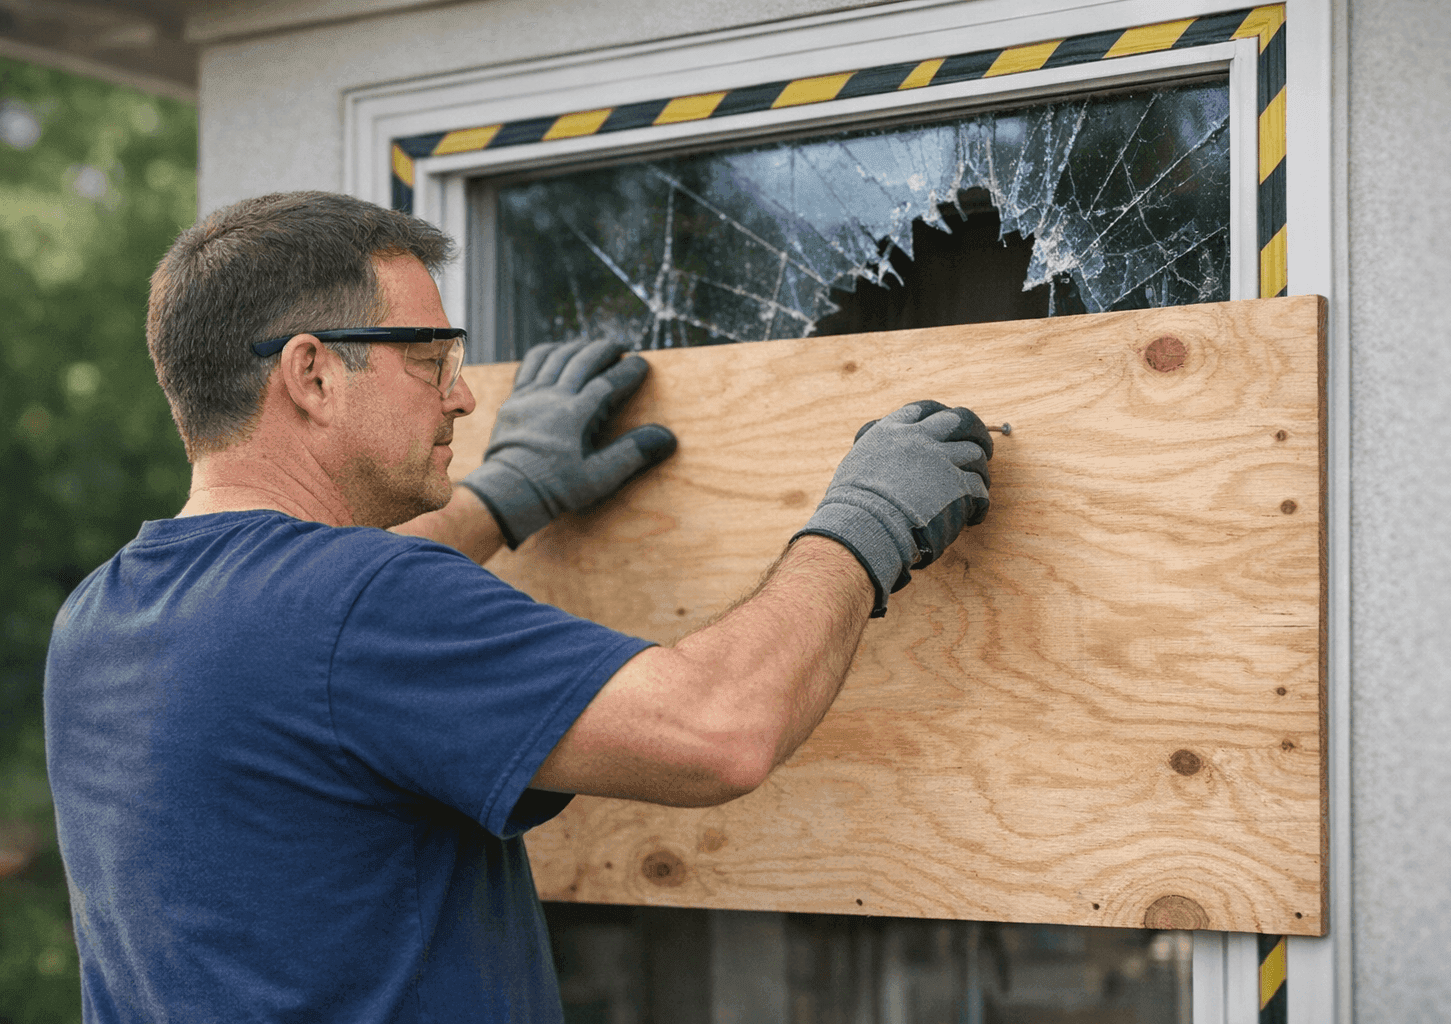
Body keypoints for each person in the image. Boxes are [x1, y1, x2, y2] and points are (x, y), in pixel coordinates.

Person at [43, 191, 993, 1021]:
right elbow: (718, 728)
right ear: (313, 373)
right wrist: (862, 528)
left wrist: (502, 497)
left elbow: (315, 640)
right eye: (429, 359)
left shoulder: (103, 616)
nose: (461, 397)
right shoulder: (361, 602)